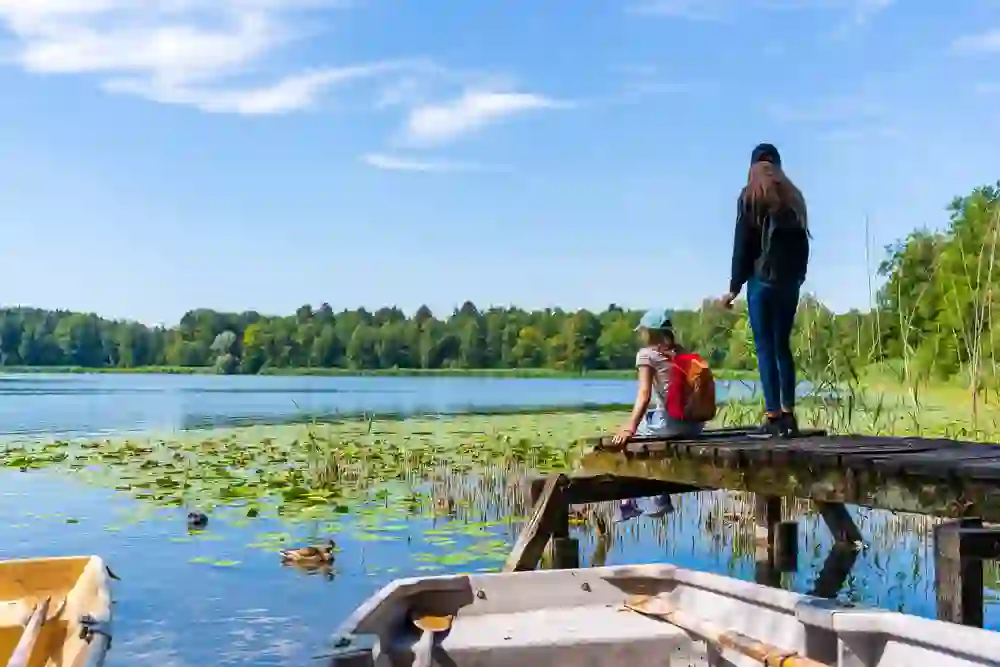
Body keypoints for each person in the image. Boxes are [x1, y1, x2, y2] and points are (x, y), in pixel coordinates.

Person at [720, 143, 809, 438]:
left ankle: (772, 417)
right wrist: (798, 277)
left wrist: (734, 287)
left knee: (765, 347)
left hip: (762, 282)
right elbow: (804, 244)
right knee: (782, 346)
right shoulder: (794, 197)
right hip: (790, 283)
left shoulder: (751, 195)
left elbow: (742, 245)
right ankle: (788, 415)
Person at [611, 308, 706, 520]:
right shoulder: (682, 352)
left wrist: (629, 427)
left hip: (671, 425)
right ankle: (660, 498)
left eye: (642, 331)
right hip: (695, 425)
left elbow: (644, 396)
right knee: (652, 426)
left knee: (626, 440)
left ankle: (629, 502)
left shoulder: (646, 355)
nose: (640, 335)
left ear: (648, 332)